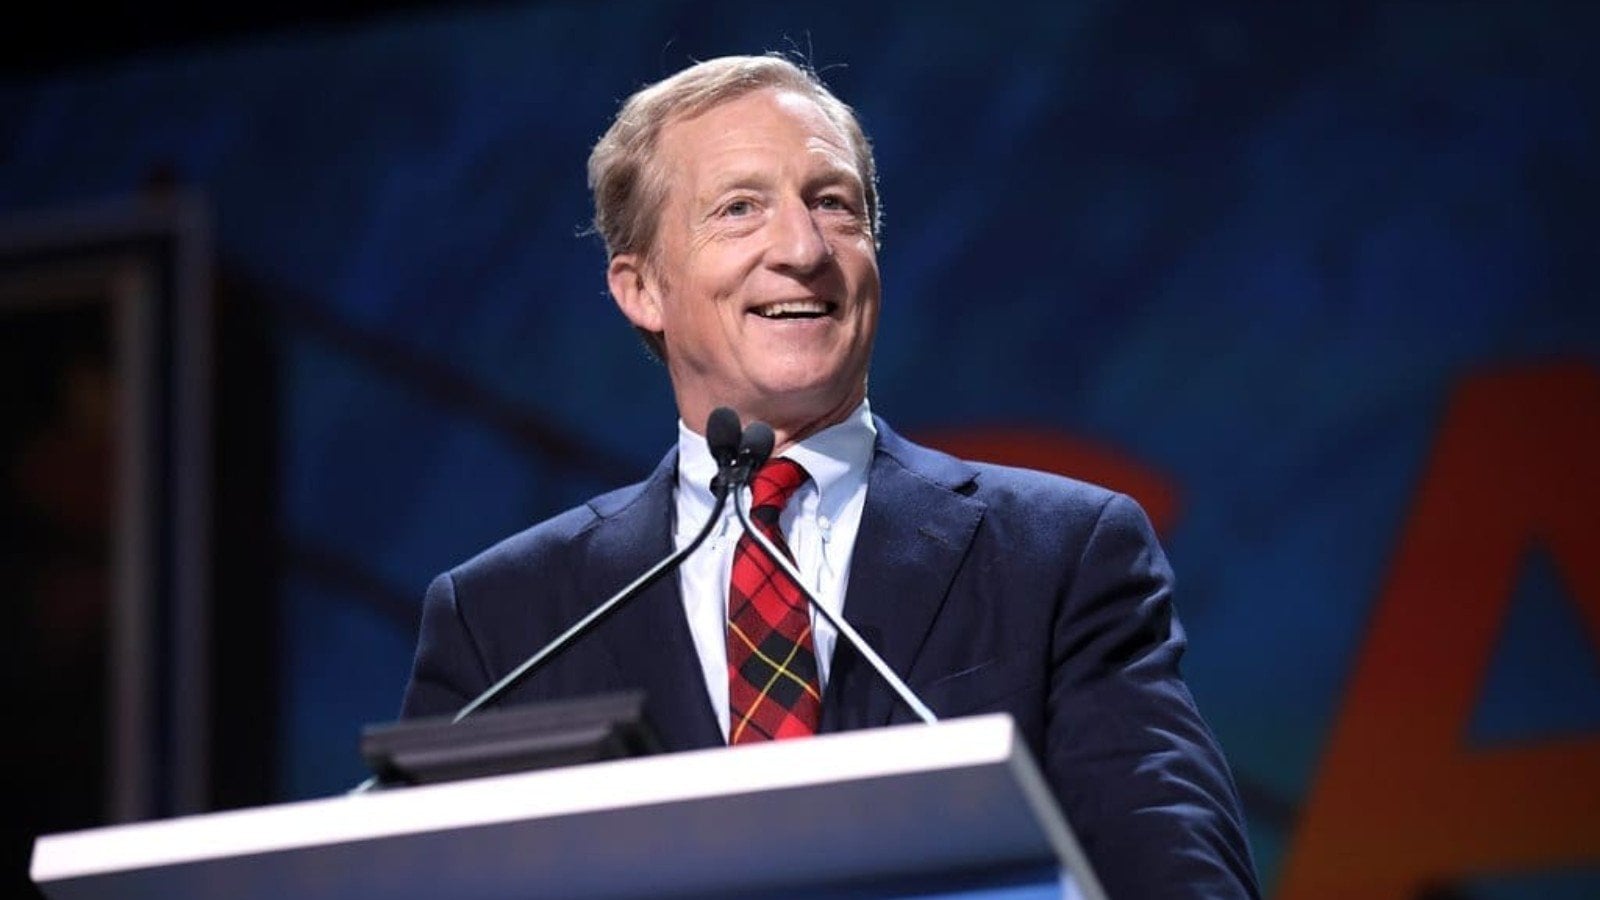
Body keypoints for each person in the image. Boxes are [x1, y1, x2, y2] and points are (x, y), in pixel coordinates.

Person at [401, 54, 1259, 898]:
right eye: (740, 209)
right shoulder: (502, 623)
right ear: (641, 289)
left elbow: (1178, 875)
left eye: (833, 206)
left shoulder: (1062, 557)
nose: (804, 248)